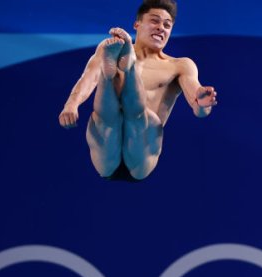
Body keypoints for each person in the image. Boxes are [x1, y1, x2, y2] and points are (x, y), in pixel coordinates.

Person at [58, 0, 217, 182]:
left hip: (141, 152)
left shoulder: (180, 65)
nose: (161, 28)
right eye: (155, 21)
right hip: (108, 143)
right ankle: (111, 75)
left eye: (167, 25)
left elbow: (198, 108)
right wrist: (71, 105)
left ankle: (128, 68)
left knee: (140, 117)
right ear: (137, 24)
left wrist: (204, 105)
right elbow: (88, 79)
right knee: (107, 117)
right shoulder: (110, 47)